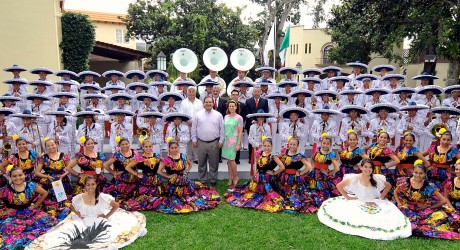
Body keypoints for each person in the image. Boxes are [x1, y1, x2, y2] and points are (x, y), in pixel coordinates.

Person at [28, 176, 147, 249]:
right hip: (83, 220)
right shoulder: (79, 197)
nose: (91, 186)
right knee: (66, 237)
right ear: (84, 186)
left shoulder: (102, 197)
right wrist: (78, 213)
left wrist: (106, 215)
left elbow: (116, 205)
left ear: (96, 185)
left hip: (99, 220)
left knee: (102, 238)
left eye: (93, 184)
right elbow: (71, 206)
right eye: (88, 184)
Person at [318, 159, 411, 240]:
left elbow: (388, 186)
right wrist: (348, 197)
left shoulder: (376, 178)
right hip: (359, 200)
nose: (368, 169)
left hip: (373, 201)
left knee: (382, 216)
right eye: (365, 167)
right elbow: (339, 186)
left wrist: (381, 197)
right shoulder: (354, 178)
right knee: (357, 216)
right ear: (361, 167)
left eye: (370, 167)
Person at [394, 164, 460, 239]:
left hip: (422, 209)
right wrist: (399, 203)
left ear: (425, 174)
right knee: (402, 218)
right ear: (412, 172)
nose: (418, 175)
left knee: (442, 216)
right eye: (416, 172)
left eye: (421, 173)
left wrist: (429, 207)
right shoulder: (404, 182)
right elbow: (395, 192)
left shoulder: (429, 186)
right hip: (407, 207)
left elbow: (443, 200)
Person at [0, 167, 58, 249]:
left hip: (30, 212)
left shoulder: (31, 185)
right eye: (14, 176)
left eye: (20, 175)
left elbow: (45, 193)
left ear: (24, 175)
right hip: (14, 214)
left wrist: (36, 205)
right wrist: (5, 210)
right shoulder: (6, 189)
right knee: (9, 228)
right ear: (11, 177)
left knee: (47, 222)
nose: (18, 178)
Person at [156, 142, 221, 213]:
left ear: (178, 148)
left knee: (193, 193)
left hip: (184, 181)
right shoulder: (167, 159)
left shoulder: (183, 156)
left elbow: (190, 164)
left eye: (175, 147)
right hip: (173, 183)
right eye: (172, 148)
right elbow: (159, 171)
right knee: (175, 197)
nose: (174, 149)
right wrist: (168, 176)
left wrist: (186, 171)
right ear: (169, 149)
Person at [225, 138, 285, 213]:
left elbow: (282, 166)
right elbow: (259, 166)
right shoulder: (260, 153)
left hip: (266, 178)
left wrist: (274, 172)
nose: (267, 148)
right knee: (249, 192)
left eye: (268, 146)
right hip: (258, 177)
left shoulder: (273, 156)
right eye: (265, 146)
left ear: (272, 146)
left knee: (266, 193)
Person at [34, 139, 72, 218]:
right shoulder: (44, 157)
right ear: (46, 148)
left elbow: (69, 169)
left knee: (63, 201)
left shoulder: (63, 155)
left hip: (62, 181)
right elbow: (37, 172)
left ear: (56, 145)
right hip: (49, 181)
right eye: (48, 146)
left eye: (52, 145)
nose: (51, 147)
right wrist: (47, 176)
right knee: (49, 202)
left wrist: (63, 175)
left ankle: (62, 210)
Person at [191, 96, 224, 186]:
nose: (208, 104)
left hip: (214, 143)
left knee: (214, 162)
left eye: (210, 102)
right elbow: (194, 128)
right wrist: (194, 139)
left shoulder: (218, 115)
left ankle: (213, 179)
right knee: (201, 162)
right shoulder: (198, 115)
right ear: (203, 103)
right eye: (206, 102)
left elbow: (222, 129)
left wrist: (221, 140)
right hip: (201, 142)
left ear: (213, 103)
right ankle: (202, 179)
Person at [277, 137, 315, 213]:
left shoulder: (299, 156)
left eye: (294, 144)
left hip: (293, 178)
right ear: (288, 144)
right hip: (284, 177)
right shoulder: (284, 153)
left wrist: (301, 173)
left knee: (294, 194)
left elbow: (309, 166)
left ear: (297, 146)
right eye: (291, 144)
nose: (292, 146)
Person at [123, 140, 163, 211]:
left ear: (152, 147)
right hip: (144, 181)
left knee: (156, 198)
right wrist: (136, 174)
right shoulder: (139, 158)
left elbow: (167, 162)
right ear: (143, 148)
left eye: (150, 146)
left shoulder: (157, 156)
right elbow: (127, 167)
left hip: (155, 180)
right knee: (143, 199)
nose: (148, 148)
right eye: (146, 147)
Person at [103, 138, 142, 203]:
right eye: (122, 144)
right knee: (122, 197)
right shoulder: (117, 155)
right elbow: (106, 165)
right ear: (119, 146)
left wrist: (136, 173)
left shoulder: (134, 152)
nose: (125, 146)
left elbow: (138, 163)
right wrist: (114, 172)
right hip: (122, 179)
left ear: (129, 144)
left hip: (134, 178)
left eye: (126, 144)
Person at [308, 133, 341, 208]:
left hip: (323, 175)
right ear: (321, 143)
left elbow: (337, 168)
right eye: (324, 143)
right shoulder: (317, 151)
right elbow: (312, 159)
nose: (325, 145)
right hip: (314, 173)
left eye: (328, 144)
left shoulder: (331, 154)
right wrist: (312, 167)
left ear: (330, 145)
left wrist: (329, 173)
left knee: (322, 190)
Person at [365, 131, 400, 198]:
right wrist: (366, 160)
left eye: (385, 138)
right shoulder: (373, 145)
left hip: (380, 170)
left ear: (388, 140)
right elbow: (364, 149)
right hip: (370, 168)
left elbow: (397, 161)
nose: (382, 139)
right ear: (378, 138)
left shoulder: (387, 150)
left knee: (379, 184)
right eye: (381, 137)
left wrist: (386, 166)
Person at [222, 100, 244, 186]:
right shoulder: (226, 117)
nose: (231, 107)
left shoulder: (239, 118)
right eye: (230, 106)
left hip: (233, 140)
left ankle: (236, 177)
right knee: (228, 160)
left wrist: (238, 143)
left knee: (232, 160)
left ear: (236, 107)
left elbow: (240, 132)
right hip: (226, 140)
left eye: (233, 106)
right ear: (228, 107)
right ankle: (230, 177)